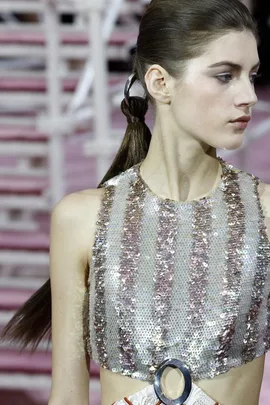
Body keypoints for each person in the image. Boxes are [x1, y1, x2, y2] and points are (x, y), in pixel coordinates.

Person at [1, 0, 270, 404]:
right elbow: (68, 397)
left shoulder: (264, 213)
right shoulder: (81, 218)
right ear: (160, 83)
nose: (248, 95)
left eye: (252, 75)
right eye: (225, 76)